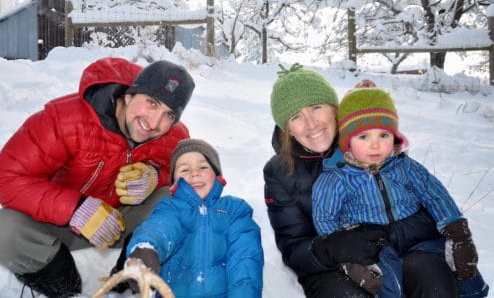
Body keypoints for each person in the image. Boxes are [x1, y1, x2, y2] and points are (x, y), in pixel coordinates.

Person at [0, 57, 195, 297]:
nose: (155, 123)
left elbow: (191, 178)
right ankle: (64, 287)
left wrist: (155, 177)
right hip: (58, 226)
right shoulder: (64, 119)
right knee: (4, 230)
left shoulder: (175, 136)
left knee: (182, 199)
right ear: (129, 95)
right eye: (152, 103)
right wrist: (75, 209)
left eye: (169, 115)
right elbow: (7, 176)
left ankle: (127, 279)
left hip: (122, 224)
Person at [312, 84, 489, 297]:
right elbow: (325, 218)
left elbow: (434, 195)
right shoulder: (336, 178)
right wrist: (347, 258)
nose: (375, 145)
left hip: (419, 238)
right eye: (364, 137)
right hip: (373, 246)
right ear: (347, 141)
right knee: (387, 286)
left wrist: (456, 231)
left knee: (444, 276)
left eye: (383, 136)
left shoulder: (405, 166)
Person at [263, 64, 389, 298]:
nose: (311, 124)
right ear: (287, 129)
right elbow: (293, 248)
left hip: (388, 250)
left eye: (316, 107)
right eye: (296, 116)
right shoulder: (278, 172)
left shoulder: (366, 141)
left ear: (334, 109)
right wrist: (331, 248)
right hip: (327, 270)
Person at [124, 138, 264, 297]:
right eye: (184, 170)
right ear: (173, 182)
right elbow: (161, 227)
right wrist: (147, 249)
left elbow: (245, 259)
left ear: (217, 175)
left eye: (203, 167)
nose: (194, 173)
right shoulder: (171, 208)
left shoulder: (234, 210)